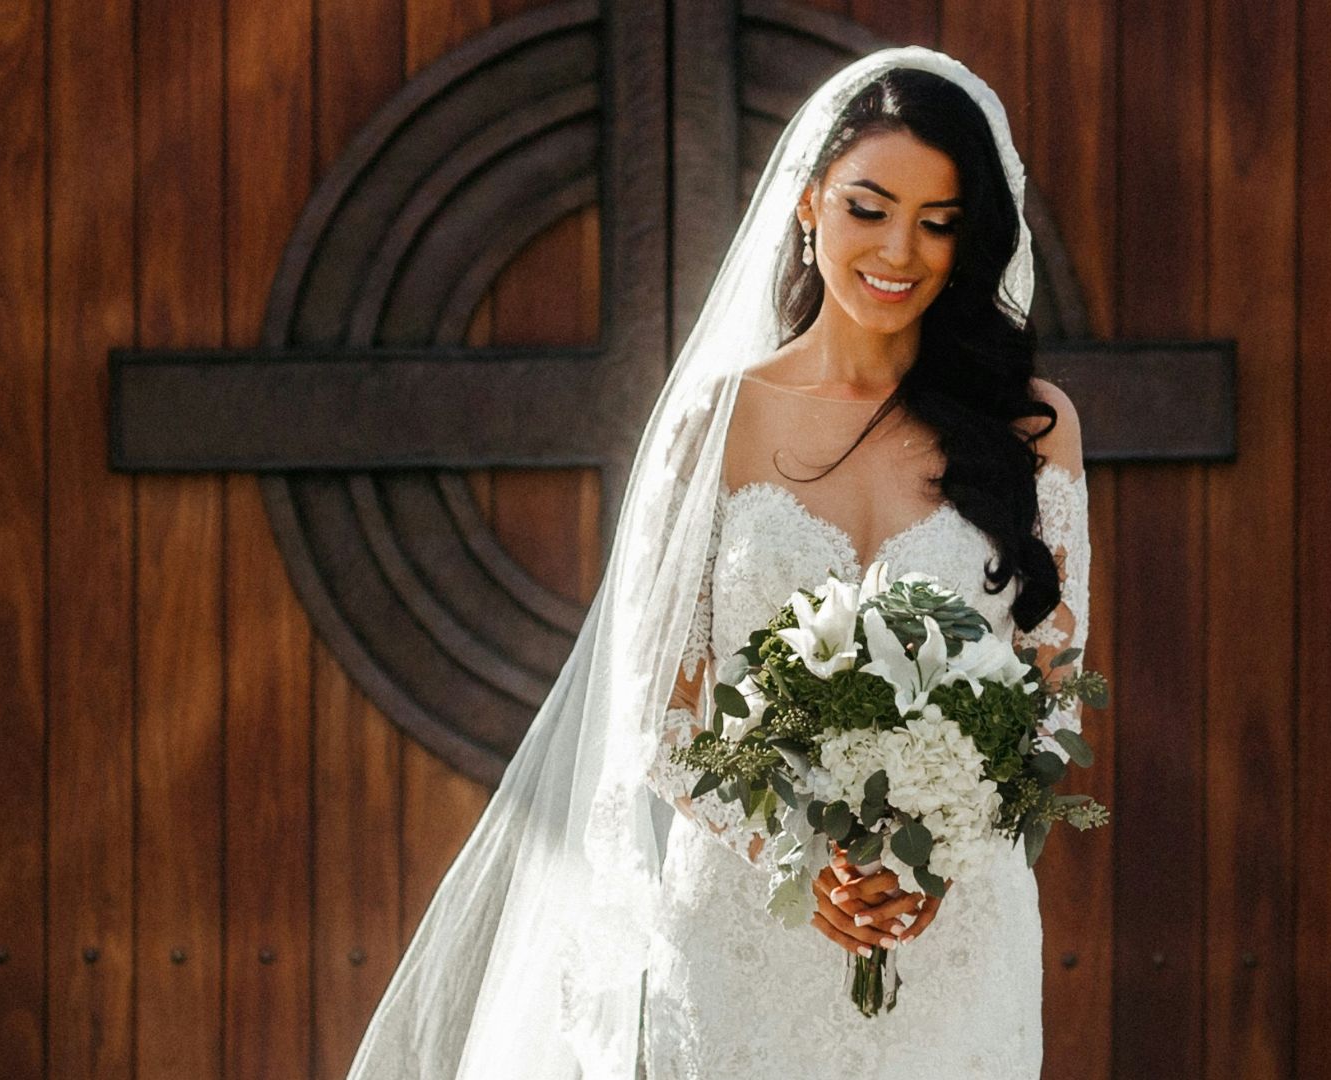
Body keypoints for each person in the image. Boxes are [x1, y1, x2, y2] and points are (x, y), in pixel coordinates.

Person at [343, 46, 1087, 1080]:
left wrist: (941, 854)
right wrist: (804, 855)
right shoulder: (717, 424)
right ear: (810, 203)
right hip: (748, 931)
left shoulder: (1032, 426)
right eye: (869, 207)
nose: (900, 250)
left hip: (954, 937)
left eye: (939, 221)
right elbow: (666, 712)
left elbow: (1051, 694)